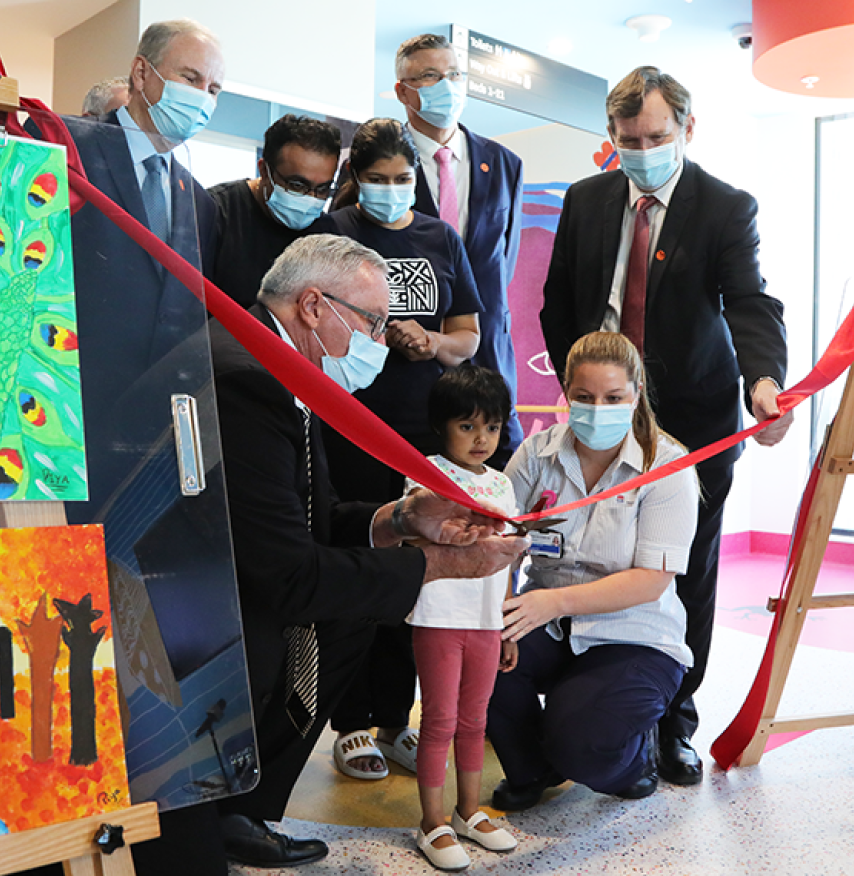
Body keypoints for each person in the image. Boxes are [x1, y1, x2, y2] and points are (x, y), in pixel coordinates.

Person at [162, 235, 521, 872]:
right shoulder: (249, 381)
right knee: (350, 609)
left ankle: (241, 807)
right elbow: (288, 572)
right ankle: (218, 806)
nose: (383, 340)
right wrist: (435, 565)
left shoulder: (279, 368)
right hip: (198, 618)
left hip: (241, 585)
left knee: (358, 609)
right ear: (312, 307)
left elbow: (314, 517)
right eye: (374, 321)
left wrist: (402, 518)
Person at [540, 66, 791, 786]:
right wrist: (578, 386)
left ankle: (673, 721)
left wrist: (762, 383)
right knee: (589, 552)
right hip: (599, 411)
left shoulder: (722, 206)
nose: (641, 150)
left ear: (687, 126)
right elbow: (559, 302)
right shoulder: (586, 201)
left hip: (692, 415)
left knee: (685, 570)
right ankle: (595, 701)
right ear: (611, 136)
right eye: (626, 139)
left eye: (655, 136)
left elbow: (747, 303)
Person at [313, 118, 482, 781]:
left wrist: (433, 345)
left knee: (414, 577)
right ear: (355, 179)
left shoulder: (439, 236)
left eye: (400, 179)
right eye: (375, 180)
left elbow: (467, 333)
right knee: (357, 567)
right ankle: (349, 722)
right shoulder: (333, 236)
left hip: (420, 437)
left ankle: (393, 719)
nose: (388, 191)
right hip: (347, 427)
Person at [488, 331, 698, 810]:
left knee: (584, 746)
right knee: (477, 657)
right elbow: (503, 541)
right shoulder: (536, 455)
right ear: (565, 392)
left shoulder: (667, 465)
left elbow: (652, 579)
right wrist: (500, 611)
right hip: (547, 621)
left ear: (637, 394)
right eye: (583, 398)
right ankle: (533, 769)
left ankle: (633, 758)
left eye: (613, 398)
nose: (597, 409)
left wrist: (552, 602)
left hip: (634, 634)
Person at [63, 19, 223, 523]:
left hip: (149, 444)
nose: (203, 97)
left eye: (214, 88)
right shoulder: (71, 148)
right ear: (141, 73)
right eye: (191, 78)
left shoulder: (198, 200)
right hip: (65, 421)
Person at [406, 364, 519, 870]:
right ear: (441, 425)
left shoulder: (504, 484)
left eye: (491, 427)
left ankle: (469, 810)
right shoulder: (422, 474)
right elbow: (413, 532)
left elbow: (511, 558)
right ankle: (432, 824)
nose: (481, 439)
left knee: (475, 721)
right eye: (467, 426)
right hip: (438, 616)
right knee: (440, 721)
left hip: (487, 621)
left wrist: (508, 621)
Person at [395, 34, 525, 459]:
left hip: (488, 361)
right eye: (430, 76)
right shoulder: (379, 164)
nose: (446, 86)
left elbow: (503, 262)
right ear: (403, 91)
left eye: (454, 74)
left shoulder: (503, 163)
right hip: (410, 368)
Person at [207, 114, 340, 308]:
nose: (311, 198)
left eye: (323, 189)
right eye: (297, 185)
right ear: (264, 171)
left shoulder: (327, 234)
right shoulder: (215, 213)